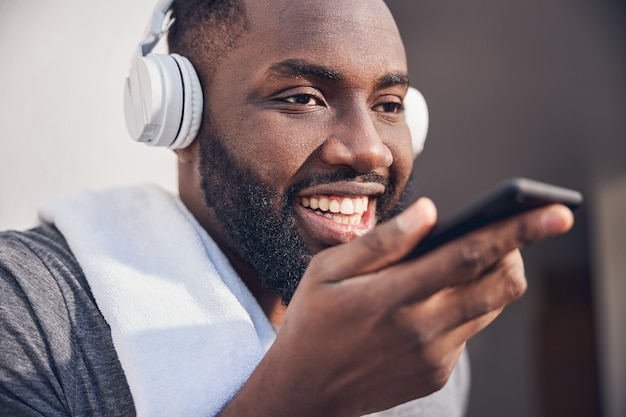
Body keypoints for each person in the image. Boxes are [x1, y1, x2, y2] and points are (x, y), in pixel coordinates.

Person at [0, 0, 575, 416]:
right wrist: (301, 400)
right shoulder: (26, 314)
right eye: (302, 98)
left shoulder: (420, 331)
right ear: (176, 114)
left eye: (389, 104)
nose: (370, 147)